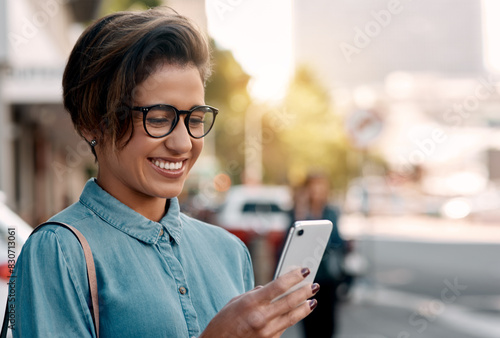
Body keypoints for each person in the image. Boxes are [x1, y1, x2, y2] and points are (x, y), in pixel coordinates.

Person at [8, 7, 319, 337]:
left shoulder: (228, 251)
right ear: (92, 123)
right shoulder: (58, 251)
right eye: (158, 119)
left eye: (195, 119)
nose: (183, 143)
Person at [290, 172, 345, 338]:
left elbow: (337, 240)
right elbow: (293, 241)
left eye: (321, 186)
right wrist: (300, 212)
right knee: (310, 324)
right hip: (307, 277)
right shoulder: (298, 211)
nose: (317, 190)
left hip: (328, 276)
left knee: (328, 325)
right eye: (313, 186)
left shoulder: (331, 211)